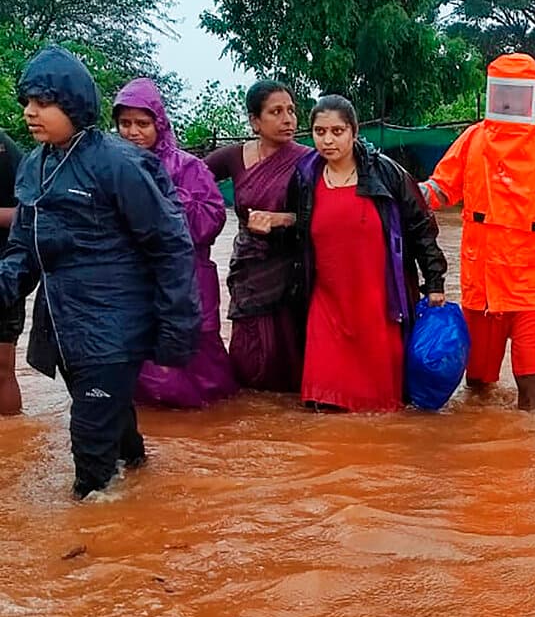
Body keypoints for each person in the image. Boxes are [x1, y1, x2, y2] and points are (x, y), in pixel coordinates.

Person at [1, 46, 199, 499]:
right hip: (64, 328)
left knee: (90, 456)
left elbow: (170, 245)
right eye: (27, 102)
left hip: (112, 328)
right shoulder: (34, 165)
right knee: (116, 429)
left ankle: (100, 525)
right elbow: (23, 250)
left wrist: (176, 329)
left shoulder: (120, 164)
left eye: (42, 102)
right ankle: (145, 491)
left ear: (73, 104)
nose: (30, 112)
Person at [419, 53, 535, 411]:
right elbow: (440, 190)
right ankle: (485, 443)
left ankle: (530, 446)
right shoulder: (473, 139)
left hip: (531, 286)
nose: (509, 101)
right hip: (482, 284)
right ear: (492, 93)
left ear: (534, 95)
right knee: (477, 382)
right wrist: (402, 189)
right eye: (502, 92)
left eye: (518, 93)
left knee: (531, 381)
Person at [290, 95, 447, 412]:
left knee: (381, 408)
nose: (328, 140)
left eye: (337, 131)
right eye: (320, 132)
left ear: (354, 131)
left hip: (379, 302)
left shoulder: (387, 173)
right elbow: (296, 233)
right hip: (326, 302)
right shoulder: (305, 177)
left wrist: (434, 282)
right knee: (323, 402)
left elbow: (421, 227)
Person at [115, 78, 237, 408]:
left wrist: (163, 196)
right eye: (125, 124)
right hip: (133, 283)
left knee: (203, 370)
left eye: (142, 124)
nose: (133, 132)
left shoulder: (188, 167)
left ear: (159, 123)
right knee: (141, 365)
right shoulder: (110, 168)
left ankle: (214, 426)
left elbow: (212, 220)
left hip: (188, 280)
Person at [205, 81, 312, 392]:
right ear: (255, 121)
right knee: (249, 358)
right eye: (276, 112)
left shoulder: (309, 161)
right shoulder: (233, 157)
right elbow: (189, 180)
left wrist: (283, 219)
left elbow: (324, 214)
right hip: (248, 270)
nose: (288, 119)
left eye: (291, 110)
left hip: (291, 271)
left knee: (289, 353)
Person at [0, 131, 24, 416]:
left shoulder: (5, 151)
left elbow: (32, 213)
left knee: (2, 369)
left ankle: (11, 433)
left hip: (6, 270)